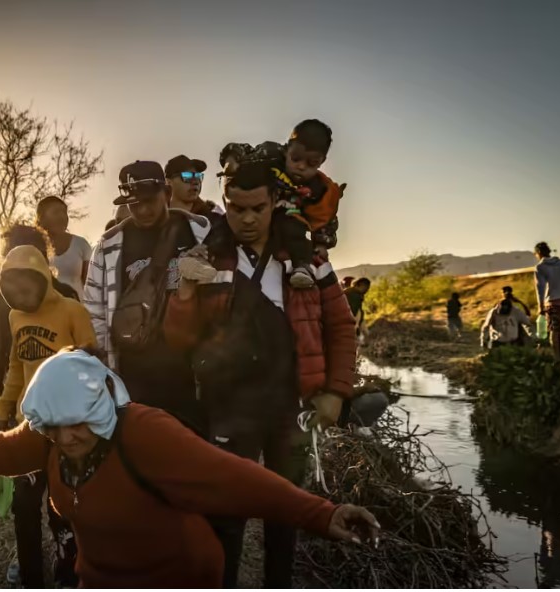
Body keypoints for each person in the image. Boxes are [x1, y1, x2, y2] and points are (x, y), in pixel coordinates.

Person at [0, 348, 380, 589]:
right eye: (56, 429)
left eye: (78, 425)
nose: (67, 439)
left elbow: (234, 476)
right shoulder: (49, 434)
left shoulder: (144, 432)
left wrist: (320, 513)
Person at [163, 159, 357, 587]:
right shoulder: (200, 259)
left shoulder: (311, 262)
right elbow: (177, 338)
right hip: (228, 405)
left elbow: (341, 327)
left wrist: (336, 392)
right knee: (226, 513)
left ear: (275, 204)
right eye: (236, 208)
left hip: (292, 406)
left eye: (257, 208)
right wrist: (184, 292)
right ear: (224, 206)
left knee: (287, 512)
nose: (246, 219)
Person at [0, 244, 96, 589]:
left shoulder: (71, 311)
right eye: (12, 292)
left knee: (62, 509)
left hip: (67, 429)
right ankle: (30, 576)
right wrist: (2, 410)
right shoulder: (14, 317)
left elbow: (92, 366)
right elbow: (16, 368)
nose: (21, 298)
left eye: (27, 289)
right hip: (30, 426)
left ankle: (68, 574)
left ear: (43, 280)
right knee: (24, 507)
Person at [84, 160, 211, 428]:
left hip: (190, 371)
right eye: (133, 204)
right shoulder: (108, 245)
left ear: (166, 194)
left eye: (149, 201)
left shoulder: (200, 231)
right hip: (134, 373)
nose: (142, 210)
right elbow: (94, 309)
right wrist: (106, 370)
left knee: (192, 452)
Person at [218, 120, 344, 289]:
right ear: (287, 148)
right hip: (254, 214)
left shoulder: (320, 189)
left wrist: (322, 244)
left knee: (294, 227)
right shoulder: (270, 154)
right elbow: (240, 149)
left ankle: (301, 268)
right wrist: (231, 159)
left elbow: (326, 217)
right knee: (223, 222)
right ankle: (203, 254)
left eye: (311, 163)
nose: (301, 166)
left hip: (289, 222)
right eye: (296, 158)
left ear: (322, 161)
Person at [0, 224, 80, 415]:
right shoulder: (68, 294)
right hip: (64, 404)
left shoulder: (3, 303)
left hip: (22, 407)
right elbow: (83, 352)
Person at [35, 195, 92, 298]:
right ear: (41, 218)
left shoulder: (81, 244)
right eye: (56, 212)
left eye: (64, 212)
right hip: (46, 311)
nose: (62, 216)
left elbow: (91, 286)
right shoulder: (34, 248)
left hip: (78, 309)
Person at [533, 242, 560, 360]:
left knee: (554, 331)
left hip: (553, 304)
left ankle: (558, 359)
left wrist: (540, 307)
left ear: (538, 254)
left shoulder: (540, 267)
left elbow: (540, 289)